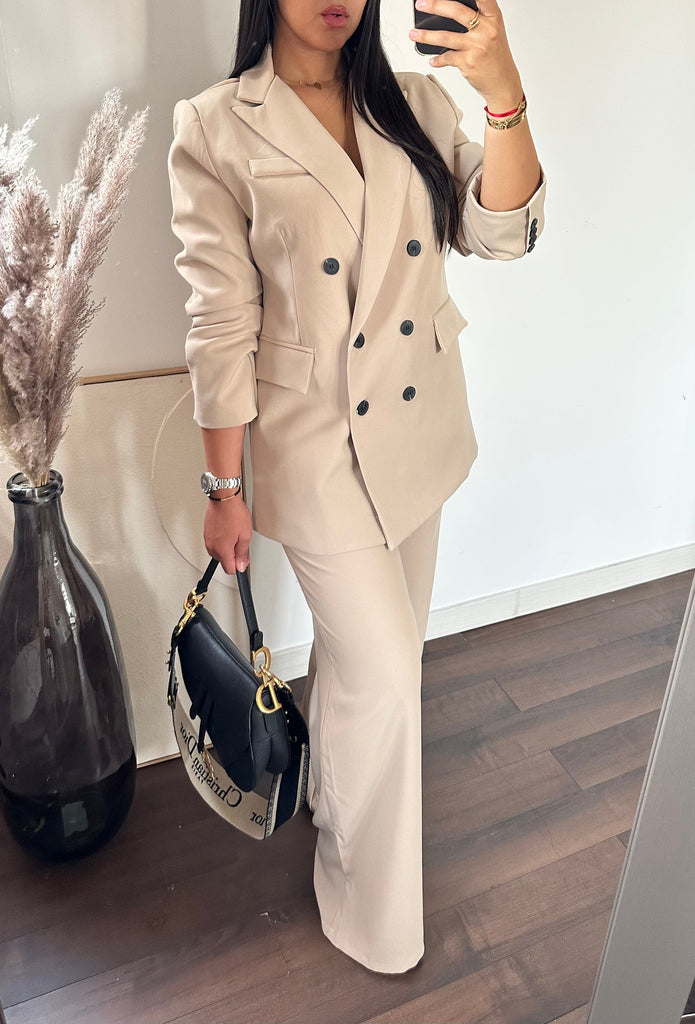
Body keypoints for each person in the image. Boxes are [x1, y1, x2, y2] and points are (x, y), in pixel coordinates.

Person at [167, 0, 546, 975]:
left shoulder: (415, 103)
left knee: (371, 662)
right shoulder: (216, 126)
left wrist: (502, 95)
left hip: (416, 429)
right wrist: (222, 484)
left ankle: (334, 804)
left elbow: (500, 235)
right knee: (384, 676)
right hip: (313, 446)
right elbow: (218, 321)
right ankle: (368, 912)